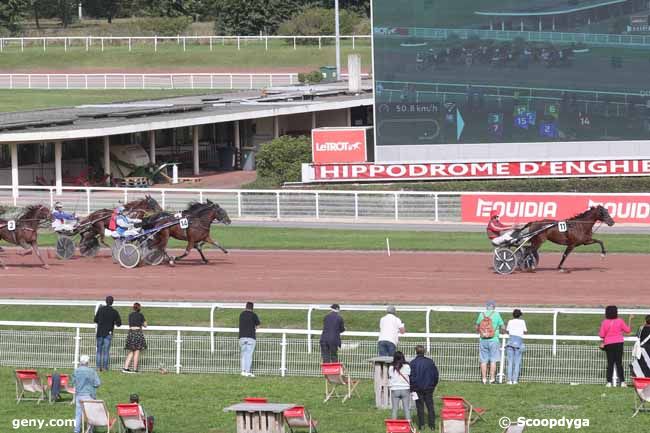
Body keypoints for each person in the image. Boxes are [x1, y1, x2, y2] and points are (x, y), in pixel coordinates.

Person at [599, 305, 632, 387]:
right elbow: (628, 330)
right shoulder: (620, 321)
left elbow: (601, 335)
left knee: (610, 363)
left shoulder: (604, 322)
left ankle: (609, 382)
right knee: (619, 363)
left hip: (609, 344)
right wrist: (630, 319)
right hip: (619, 343)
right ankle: (622, 382)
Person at [410, 345, 439, 431]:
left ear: (416, 351)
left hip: (417, 388)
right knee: (430, 406)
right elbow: (435, 375)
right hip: (429, 387)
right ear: (424, 352)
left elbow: (410, 376)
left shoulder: (413, 363)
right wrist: (433, 385)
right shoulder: (430, 362)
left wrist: (412, 387)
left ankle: (421, 425)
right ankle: (432, 425)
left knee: (420, 407)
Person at [475, 300, 505, 384]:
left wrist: (481, 332)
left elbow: (477, 326)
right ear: (494, 307)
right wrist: (502, 332)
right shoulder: (496, 314)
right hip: (494, 339)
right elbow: (502, 326)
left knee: (483, 360)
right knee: (493, 360)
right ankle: (492, 379)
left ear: (486, 307)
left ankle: (484, 379)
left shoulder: (481, 314)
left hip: (483, 340)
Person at [72, 355, 101, 433]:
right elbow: (97, 383)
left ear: (80, 362)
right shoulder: (92, 371)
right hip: (89, 395)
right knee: (90, 415)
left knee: (78, 415)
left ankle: (76, 431)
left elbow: (73, 383)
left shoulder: (76, 371)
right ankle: (89, 431)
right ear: (88, 362)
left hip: (79, 395)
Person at [94, 295, 122, 372]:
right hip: (108, 333)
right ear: (112, 302)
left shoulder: (100, 310)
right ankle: (105, 368)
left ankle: (98, 367)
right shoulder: (114, 312)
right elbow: (119, 324)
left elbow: (95, 320)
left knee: (99, 351)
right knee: (106, 351)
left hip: (100, 333)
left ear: (106, 301)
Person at [123, 303, 147, 374]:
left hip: (131, 333)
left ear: (133, 308)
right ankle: (135, 369)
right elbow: (145, 325)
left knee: (131, 351)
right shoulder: (140, 315)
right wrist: (142, 323)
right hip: (137, 333)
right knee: (137, 351)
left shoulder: (130, 315)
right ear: (139, 308)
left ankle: (125, 368)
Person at [239, 302, 261, 378]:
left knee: (243, 354)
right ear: (252, 308)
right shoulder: (253, 315)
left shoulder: (241, 314)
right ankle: (247, 372)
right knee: (249, 355)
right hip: (251, 337)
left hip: (242, 337)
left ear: (246, 307)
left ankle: (243, 371)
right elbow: (258, 326)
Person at [505, 309, 527, 384]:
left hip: (511, 341)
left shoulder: (510, 321)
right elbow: (525, 331)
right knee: (517, 362)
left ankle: (509, 380)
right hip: (519, 341)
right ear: (520, 315)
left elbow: (507, 330)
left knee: (510, 362)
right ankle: (515, 380)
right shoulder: (522, 322)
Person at [388, 351, 411, 419]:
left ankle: (393, 426)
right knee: (406, 409)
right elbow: (409, 374)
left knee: (394, 409)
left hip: (395, 389)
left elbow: (390, 376)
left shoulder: (391, 367)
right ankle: (409, 426)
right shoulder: (407, 366)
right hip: (405, 388)